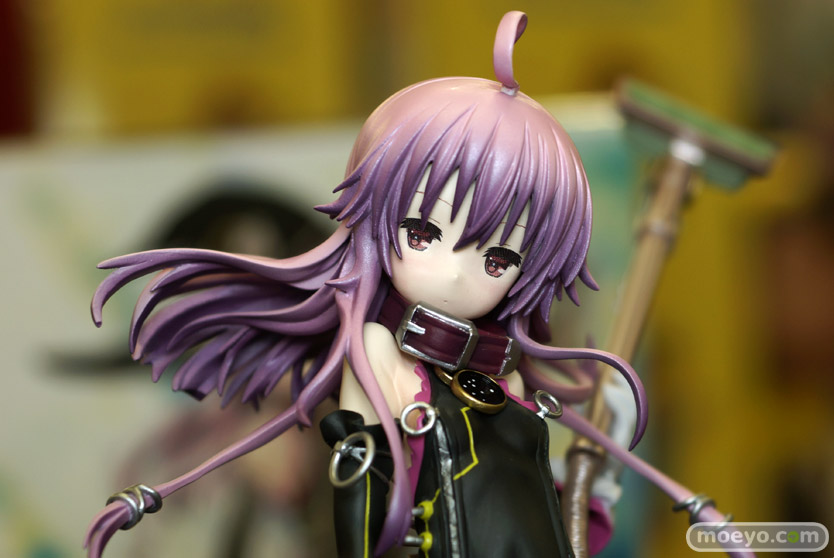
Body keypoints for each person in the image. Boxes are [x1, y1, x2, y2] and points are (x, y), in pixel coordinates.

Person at [87, 11, 737, 558]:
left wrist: (593, 481)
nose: (455, 271)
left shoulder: (502, 372)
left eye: (498, 257)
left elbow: (526, 504)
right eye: (424, 233)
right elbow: (361, 490)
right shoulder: (379, 352)